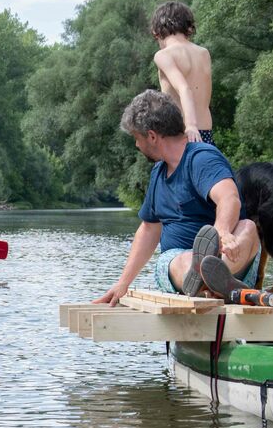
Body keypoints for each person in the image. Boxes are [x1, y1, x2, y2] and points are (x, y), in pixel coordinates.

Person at [95, 91, 261, 306]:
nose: (137, 145)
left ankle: (214, 279)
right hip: (178, 263)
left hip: (228, 258)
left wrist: (222, 231)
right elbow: (148, 230)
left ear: (152, 136)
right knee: (183, 260)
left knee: (247, 227)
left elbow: (229, 198)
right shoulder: (158, 173)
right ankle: (206, 278)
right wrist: (122, 283)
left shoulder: (202, 158)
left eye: (137, 138)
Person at [151, 1, 215, 146]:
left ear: (156, 32)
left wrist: (191, 125)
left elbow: (184, 88)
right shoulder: (203, 53)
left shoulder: (164, 55)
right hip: (206, 133)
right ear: (189, 27)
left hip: (181, 133)